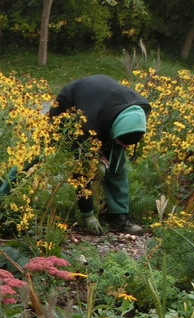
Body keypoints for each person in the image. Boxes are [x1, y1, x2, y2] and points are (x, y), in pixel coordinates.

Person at [48, 74, 151, 236]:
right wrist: (87, 214)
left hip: (107, 110)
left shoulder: (141, 111)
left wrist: (106, 161)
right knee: (44, 151)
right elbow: (80, 172)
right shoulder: (88, 125)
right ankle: (9, 186)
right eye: (119, 141)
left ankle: (118, 216)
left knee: (117, 162)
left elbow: (118, 142)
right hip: (70, 102)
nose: (122, 146)